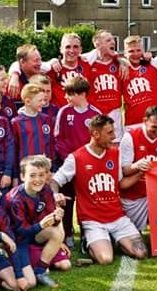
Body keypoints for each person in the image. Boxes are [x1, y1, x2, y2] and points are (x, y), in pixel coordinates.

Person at [52, 115, 148, 264]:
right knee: (105, 259)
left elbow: (121, 184)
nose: (114, 136)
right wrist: (55, 194)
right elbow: (54, 180)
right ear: (96, 134)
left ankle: (113, 240)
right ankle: (88, 241)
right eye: (109, 133)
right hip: (93, 220)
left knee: (141, 253)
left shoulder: (116, 153)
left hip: (117, 217)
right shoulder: (76, 157)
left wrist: (141, 173)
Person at [6, 156, 67, 288]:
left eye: (41, 175)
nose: (38, 180)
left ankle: (40, 271)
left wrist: (57, 217)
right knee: (30, 283)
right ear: (22, 176)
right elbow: (20, 231)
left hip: (34, 234)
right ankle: (4, 265)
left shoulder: (46, 190)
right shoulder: (15, 199)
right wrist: (41, 225)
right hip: (17, 241)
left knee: (57, 235)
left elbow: (53, 221)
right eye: (32, 175)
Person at [53, 76, 98, 248]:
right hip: (69, 164)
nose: (67, 97)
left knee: (87, 200)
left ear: (83, 94)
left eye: (70, 94)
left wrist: (88, 160)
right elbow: (58, 139)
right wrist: (69, 159)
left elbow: (99, 141)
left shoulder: (95, 114)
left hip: (88, 166)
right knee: (67, 199)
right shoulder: (64, 112)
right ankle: (68, 233)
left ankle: (88, 233)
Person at [120, 106, 157, 230]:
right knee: (132, 240)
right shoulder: (130, 137)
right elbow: (124, 171)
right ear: (145, 121)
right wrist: (137, 166)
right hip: (134, 195)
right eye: (154, 127)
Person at [120, 36, 157, 130]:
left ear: (143, 51)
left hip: (155, 121)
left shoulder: (153, 64)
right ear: (124, 53)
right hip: (132, 123)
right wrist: (120, 60)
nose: (135, 54)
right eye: (131, 51)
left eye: (138, 50)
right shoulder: (121, 70)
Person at [12, 84, 56, 170]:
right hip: (26, 170)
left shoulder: (46, 119)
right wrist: (15, 175)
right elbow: (14, 150)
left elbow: (51, 145)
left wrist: (52, 168)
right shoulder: (16, 122)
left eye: (43, 100)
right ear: (28, 102)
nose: (43, 103)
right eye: (40, 101)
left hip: (45, 169)